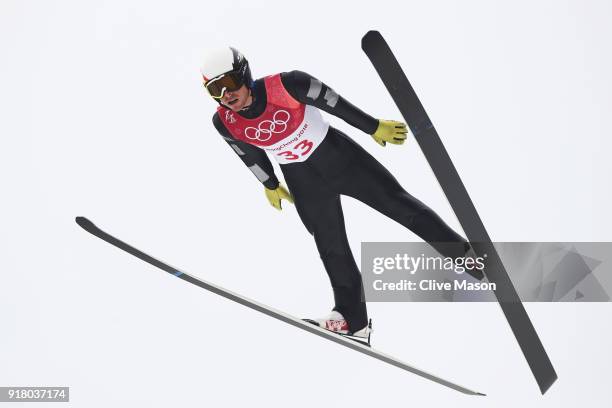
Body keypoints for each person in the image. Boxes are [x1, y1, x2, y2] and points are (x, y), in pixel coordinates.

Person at [201, 46, 478, 344]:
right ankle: (352, 319)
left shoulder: (289, 84)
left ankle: (470, 259)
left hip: (341, 160)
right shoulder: (224, 122)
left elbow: (335, 103)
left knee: (400, 207)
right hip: (303, 183)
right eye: (215, 89)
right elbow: (247, 153)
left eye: (229, 83)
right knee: (331, 248)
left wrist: (372, 127)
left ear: (244, 73)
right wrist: (269, 184)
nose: (225, 94)